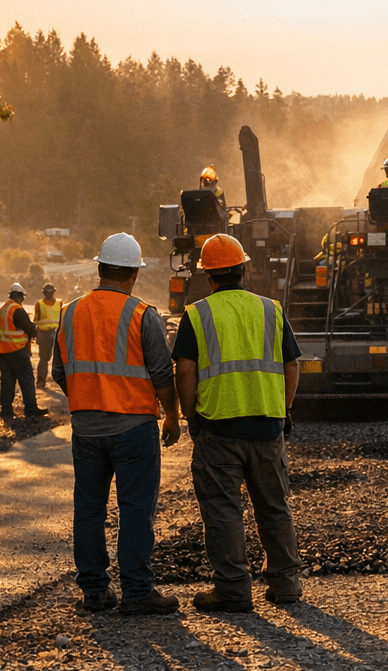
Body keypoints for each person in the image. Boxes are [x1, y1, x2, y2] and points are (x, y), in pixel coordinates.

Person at [173, 233, 304, 613]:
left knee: (223, 509)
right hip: (267, 426)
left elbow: (184, 369)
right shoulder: (271, 310)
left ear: (207, 275)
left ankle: (233, 589)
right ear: (245, 268)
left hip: (219, 429)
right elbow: (292, 364)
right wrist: (284, 410)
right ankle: (286, 585)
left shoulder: (197, 314)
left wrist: (189, 416)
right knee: (274, 506)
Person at [53, 233, 182, 616]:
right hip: (134, 429)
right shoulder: (142, 314)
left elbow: (61, 371)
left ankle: (94, 592)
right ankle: (138, 592)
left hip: (86, 429)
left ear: (100, 268)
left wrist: (88, 396)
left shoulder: (71, 312)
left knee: (89, 510)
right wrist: (173, 416)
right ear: (133, 275)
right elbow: (162, 374)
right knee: (136, 510)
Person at [0, 283, 46, 422]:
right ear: (20, 296)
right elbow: (29, 327)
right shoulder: (17, 309)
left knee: (7, 381)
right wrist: (35, 331)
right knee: (27, 379)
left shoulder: (2, 309)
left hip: (4, 352)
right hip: (17, 350)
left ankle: (6, 411)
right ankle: (31, 410)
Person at [35, 283, 62, 388]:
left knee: (61, 358)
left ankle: (63, 381)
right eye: (48, 292)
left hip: (57, 333)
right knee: (44, 358)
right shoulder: (39, 304)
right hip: (44, 334)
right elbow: (36, 320)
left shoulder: (59, 304)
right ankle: (41, 380)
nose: (50, 294)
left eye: (51, 292)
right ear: (44, 293)